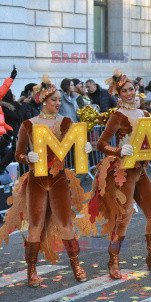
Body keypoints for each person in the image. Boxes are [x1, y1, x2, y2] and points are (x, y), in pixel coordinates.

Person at [0, 75, 92, 286]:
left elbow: (78, 143)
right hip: (37, 180)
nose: (59, 103)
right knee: (36, 225)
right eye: (54, 100)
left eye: (60, 100)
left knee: (65, 223)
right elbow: (18, 154)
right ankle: (31, 271)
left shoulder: (66, 121)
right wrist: (27, 158)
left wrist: (85, 148)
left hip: (59, 179)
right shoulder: (29, 124)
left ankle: (76, 264)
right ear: (43, 100)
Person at [85, 69, 151, 278]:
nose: (130, 93)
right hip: (125, 171)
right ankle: (113, 261)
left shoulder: (145, 114)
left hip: (141, 170)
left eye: (132, 89)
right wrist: (119, 150)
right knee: (123, 217)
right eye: (124, 91)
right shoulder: (118, 115)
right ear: (118, 94)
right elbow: (102, 144)